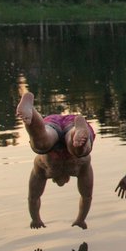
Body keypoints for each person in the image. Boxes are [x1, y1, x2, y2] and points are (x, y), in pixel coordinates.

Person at [17, 90, 94, 230]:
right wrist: (80, 219)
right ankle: (76, 134)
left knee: (41, 142)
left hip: (55, 128)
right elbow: (86, 196)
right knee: (79, 152)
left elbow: (33, 198)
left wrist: (36, 219)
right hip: (68, 125)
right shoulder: (44, 169)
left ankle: (33, 113)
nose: (62, 182)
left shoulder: (42, 168)